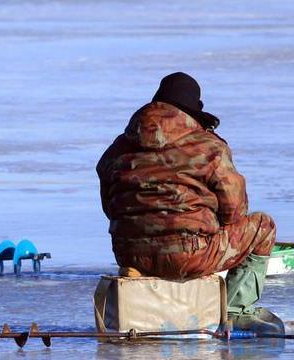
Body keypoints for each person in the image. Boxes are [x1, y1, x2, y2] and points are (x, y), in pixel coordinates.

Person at [96, 72, 283, 333]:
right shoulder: (209, 147)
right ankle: (234, 310)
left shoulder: (117, 149)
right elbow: (235, 210)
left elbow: (109, 206)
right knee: (263, 226)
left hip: (130, 254)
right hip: (192, 255)